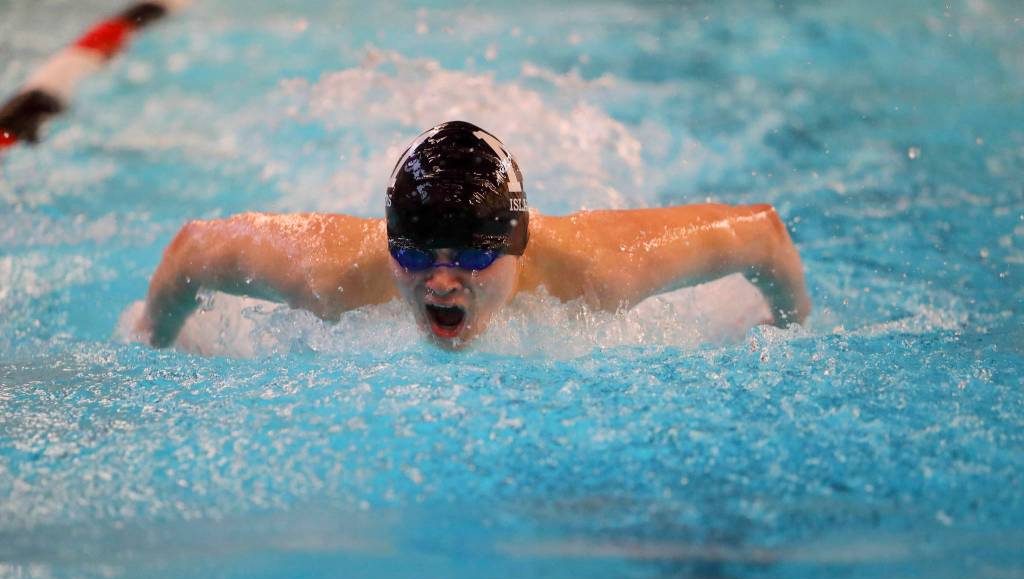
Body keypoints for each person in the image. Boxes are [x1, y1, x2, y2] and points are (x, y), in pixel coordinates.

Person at [136, 121, 810, 349]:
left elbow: (763, 234)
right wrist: (152, 345)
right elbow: (194, 249)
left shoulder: (600, 271)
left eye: (474, 255)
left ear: (516, 244)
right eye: (414, 253)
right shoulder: (330, 276)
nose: (441, 280)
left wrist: (788, 333)